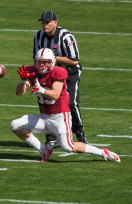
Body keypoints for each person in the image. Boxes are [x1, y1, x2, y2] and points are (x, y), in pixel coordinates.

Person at [10, 48, 120, 163]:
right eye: (39, 62)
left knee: (68, 147)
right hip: (45, 117)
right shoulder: (33, 71)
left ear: (52, 62)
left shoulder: (58, 72)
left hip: (60, 118)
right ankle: (43, 150)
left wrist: (42, 90)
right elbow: (19, 93)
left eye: (45, 62)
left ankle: (102, 152)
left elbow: (56, 94)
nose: (41, 65)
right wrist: (23, 82)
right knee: (15, 125)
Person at [33, 10, 88, 145]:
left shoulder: (66, 36)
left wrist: (52, 58)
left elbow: (74, 60)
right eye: (43, 22)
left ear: (55, 23)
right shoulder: (38, 36)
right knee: (45, 100)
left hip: (69, 71)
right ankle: (52, 137)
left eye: (47, 22)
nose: (44, 25)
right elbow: (36, 56)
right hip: (49, 72)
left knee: (71, 102)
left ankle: (80, 133)